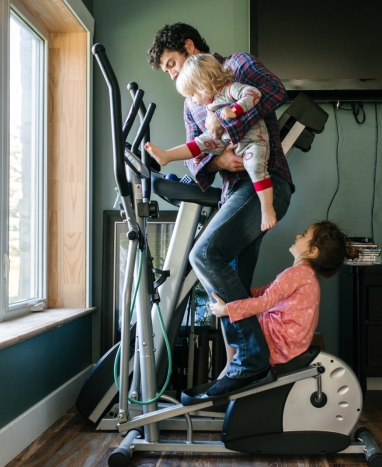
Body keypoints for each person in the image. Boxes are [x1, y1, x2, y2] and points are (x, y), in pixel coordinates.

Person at [147, 23, 293, 397]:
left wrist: (228, 124)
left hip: (265, 182)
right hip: (233, 192)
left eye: (172, 63)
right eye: (167, 71)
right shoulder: (190, 100)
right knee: (232, 285)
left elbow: (275, 91)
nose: (172, 73)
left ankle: (252, 361)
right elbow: (199, 160)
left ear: (190, 46)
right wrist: (219, 161)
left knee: (205, 253)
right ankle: (239, 377)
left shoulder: (239, 66)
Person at [145, 53, 276, 231]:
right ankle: (167, 156)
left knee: (255, 167)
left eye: (192, 94)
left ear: (203, 86)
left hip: (254, 141)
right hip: (225, 143)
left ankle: (267, 209)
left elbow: (254, 93)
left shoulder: (230, 88)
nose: (192, 99)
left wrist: (234, 111)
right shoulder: (207, 104)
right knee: (199, 142)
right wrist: (206, 159)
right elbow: (201, 148)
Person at [208, 221, 359, 369]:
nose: (299, 235)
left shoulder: (296, 274)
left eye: (305, 235)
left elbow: (264, 302)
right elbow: (266, 292)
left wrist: (227, 309)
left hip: (277, 344)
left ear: (313, 251)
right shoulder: (307, 276)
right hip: (291, 345)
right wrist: (240, 292)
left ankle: (230, 364)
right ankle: (231, 363)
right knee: (239, 308)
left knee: (232, 313)